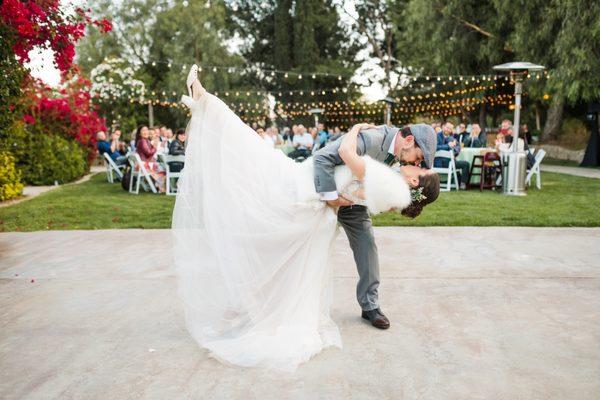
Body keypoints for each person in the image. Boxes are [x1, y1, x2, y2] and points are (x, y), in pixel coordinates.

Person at [172, 65, 440, 371]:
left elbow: (370, 180)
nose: (418, 163)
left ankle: (370, 305)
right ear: (408, 141)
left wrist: (347, 188)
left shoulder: (396, 157)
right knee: (264, 180)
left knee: (366, 246)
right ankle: (207, 104)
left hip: (349, 200)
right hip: (320, 192)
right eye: (419, 158)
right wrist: (331, 199)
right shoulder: (375, 137)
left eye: (420, 165)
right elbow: (325, 159)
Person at [435, 121, 471, 189]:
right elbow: (435, 147)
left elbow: (458, 147)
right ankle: (461, 183)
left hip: (451, 162)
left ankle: (463, 184)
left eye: (450, 129)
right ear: (443, 127)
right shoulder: (437, 136)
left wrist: (455, 148)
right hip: (440, 163)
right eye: (447, 128)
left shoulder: (452, 137)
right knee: (466, 164)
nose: (449, 130)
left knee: (466, 164)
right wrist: (448, 146)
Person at [135, 125, 166, 192]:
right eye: (143, 130)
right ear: (139, 133)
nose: (146, 132)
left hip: (142, 165)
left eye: (146, 130)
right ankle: (160, 187)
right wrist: (155, 147)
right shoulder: (142, 141)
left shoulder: (145, 140)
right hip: (143, 166)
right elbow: (149, 153)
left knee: (160, 166)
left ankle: (159, 186)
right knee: (163, 168)